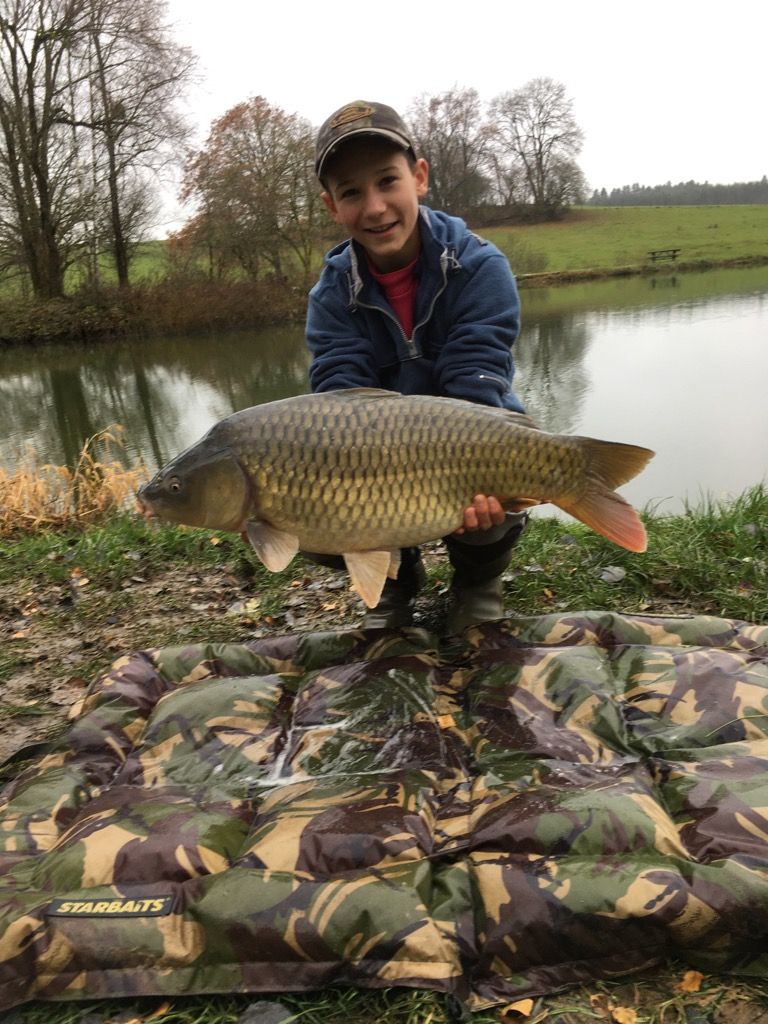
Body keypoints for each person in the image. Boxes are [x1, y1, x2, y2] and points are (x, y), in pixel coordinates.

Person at [304, 99, 528, 633]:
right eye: (352, 192)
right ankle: (392, 586)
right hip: (371, 458)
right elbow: (340, 400)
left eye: (387, 182)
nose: (376, 207)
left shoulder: (479, 266)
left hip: (467, 435)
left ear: (419, 177)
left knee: (497, 489)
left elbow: (477, 379)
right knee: (303, 500)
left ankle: (477, 583)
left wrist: (470, 477)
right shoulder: (331, 294)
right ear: (332, 205)